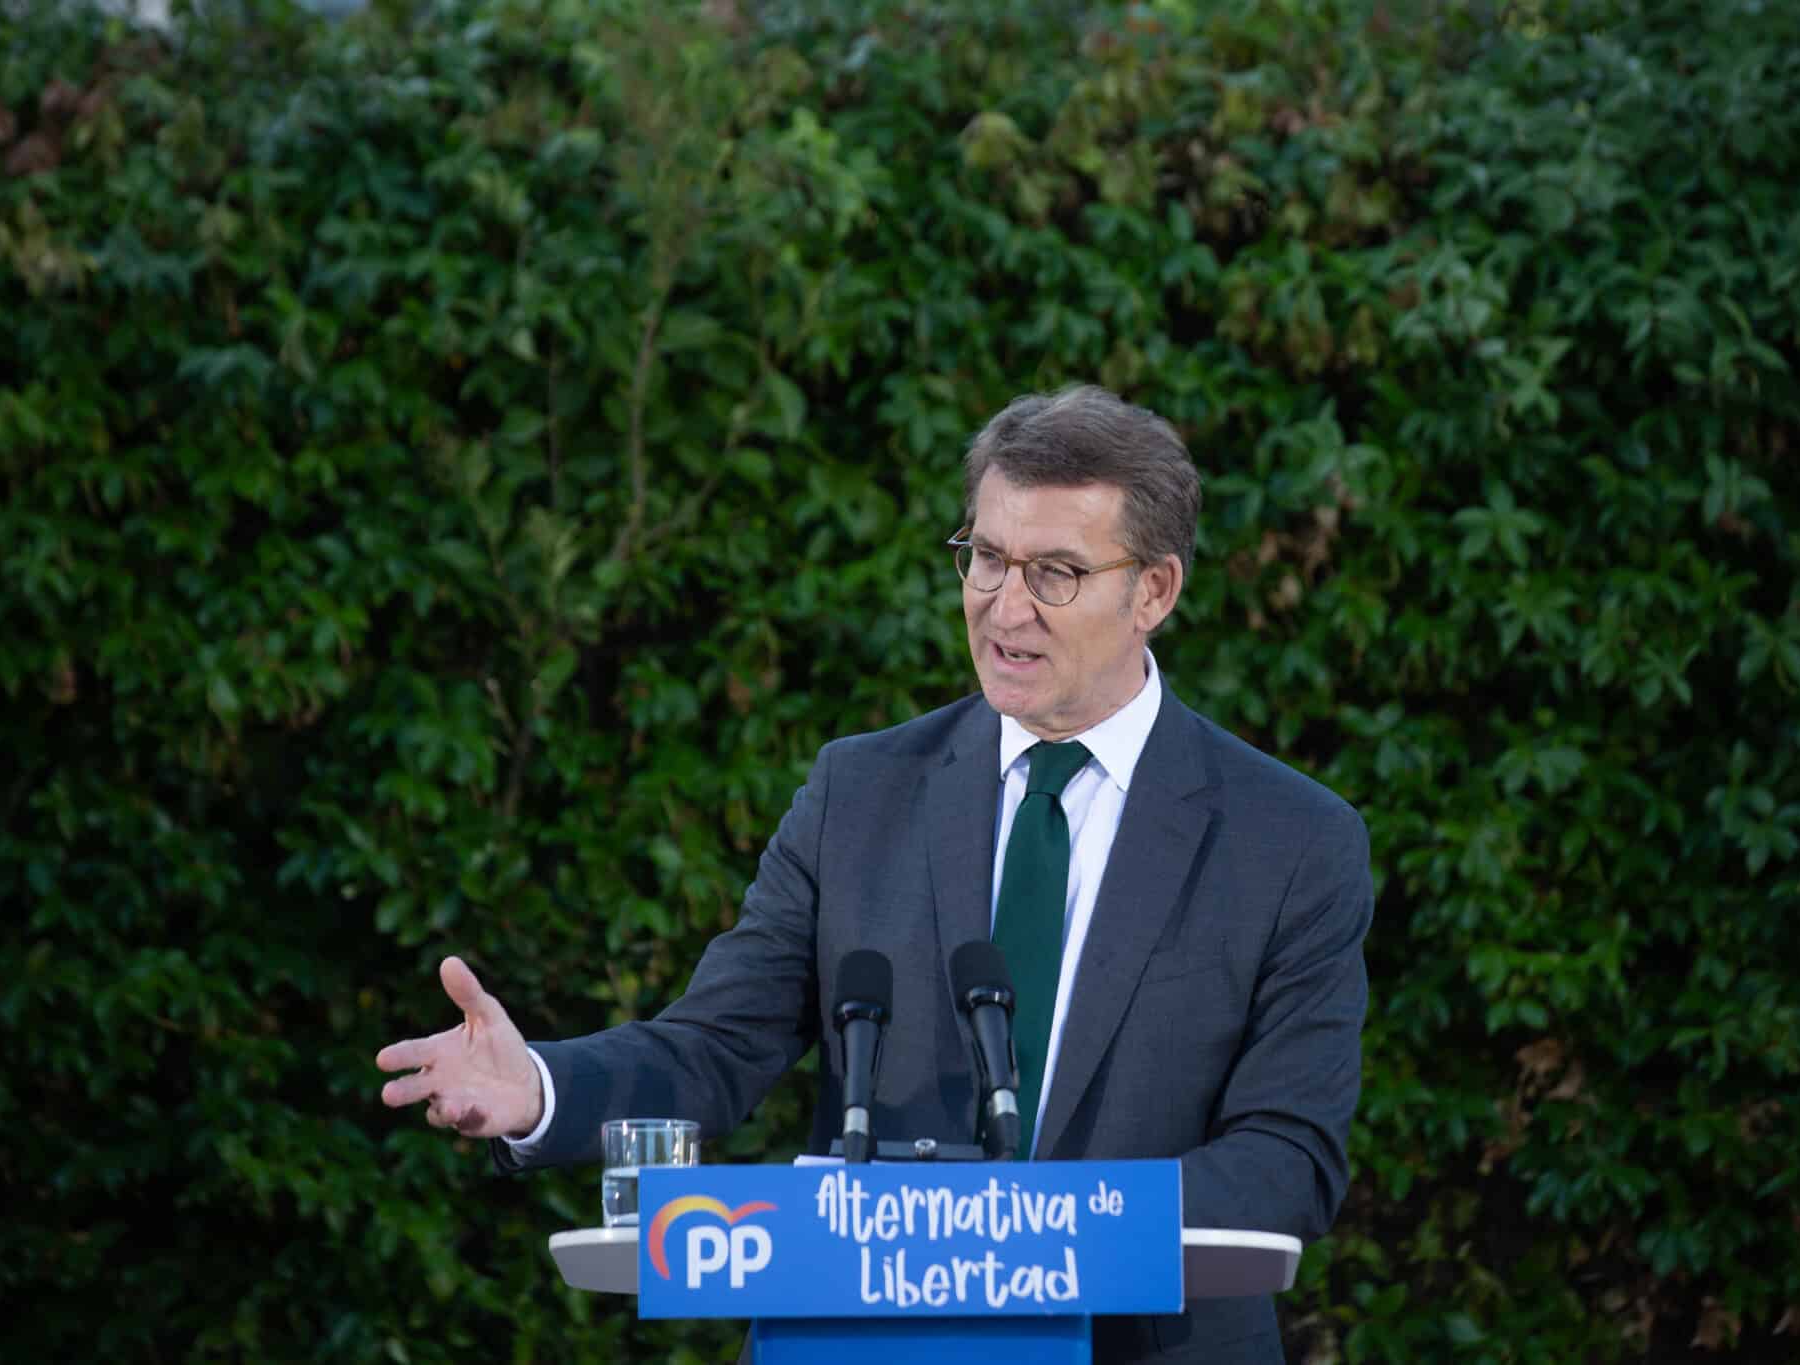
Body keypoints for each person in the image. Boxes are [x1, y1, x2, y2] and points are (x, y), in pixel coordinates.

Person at [377, 385, 1374, 1363]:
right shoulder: (860, 793)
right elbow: (716, 1046)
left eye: (1055, 573)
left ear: (1152, 590)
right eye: (985, 558)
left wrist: (1036, 1238)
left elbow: (1285, 1158)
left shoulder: (1287, 841)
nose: (1002, 605)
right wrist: (544, 1085)